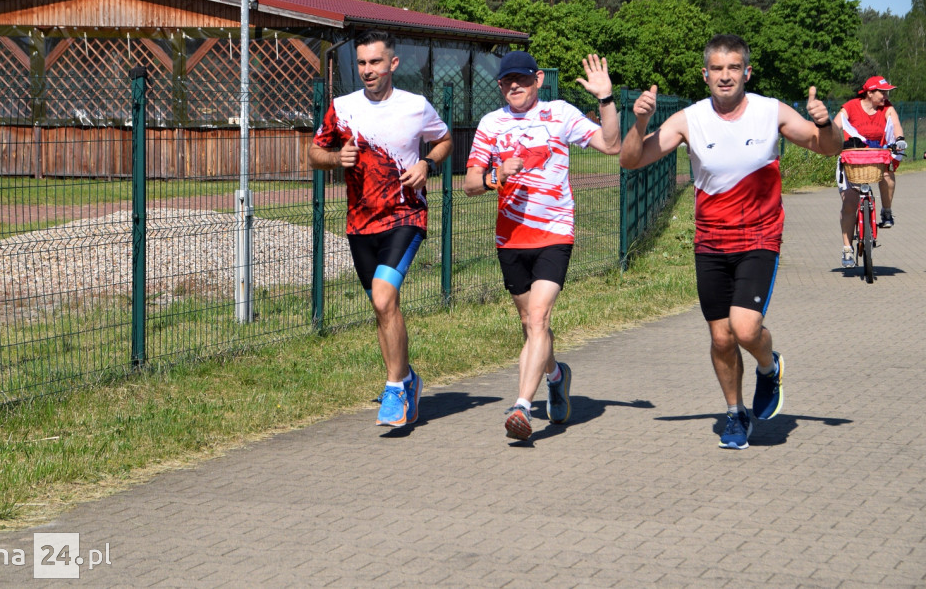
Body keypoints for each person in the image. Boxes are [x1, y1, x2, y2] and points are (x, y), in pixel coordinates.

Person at [620, 34, 842, 450]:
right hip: (710, 241)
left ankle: (768, 366)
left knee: (744, 327)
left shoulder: (769, 111)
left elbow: (827, 148)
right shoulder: (689, 119)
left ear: (747, 72)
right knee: (721, 337)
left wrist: (825, 122)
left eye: (734, 68)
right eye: (717, 69)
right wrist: (640, 123)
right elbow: (631, 159)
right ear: (705, 75)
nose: (726, 76)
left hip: (760, 235)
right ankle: (735, 414)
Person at [463, 51, 621, 441]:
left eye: (521, 78)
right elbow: (468, 184)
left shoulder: (561, 113)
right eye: (506, 81)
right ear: (499, 86)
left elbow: (612, 144)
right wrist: (494, 176)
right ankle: (555, 375)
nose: (514, 86)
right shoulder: (491, 124)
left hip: (554, 233)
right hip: (511, 238)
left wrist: (605, 100)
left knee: (538, 320)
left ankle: (521, 407)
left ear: (537, 80)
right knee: (528, 325)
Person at [308, 29, 452, 428]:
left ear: (393, 64)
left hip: (406, 216)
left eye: (375, 62)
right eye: (362, 64)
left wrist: (427, 165)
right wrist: (336, 158)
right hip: (360, 223)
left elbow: (443, 140)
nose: (367, 71)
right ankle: (409, 380)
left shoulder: (415, 106)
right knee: (381, 306)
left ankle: (393, 389)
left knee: (385, 297)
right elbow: (313, 152)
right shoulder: (342, 108)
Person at [835, 76, 906, 268]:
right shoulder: (850, 107)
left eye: (886, 92)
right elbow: (836, 126)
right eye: (881, 92)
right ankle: (848, 249)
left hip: (877, 157)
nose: (885, 95)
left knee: (888, 175)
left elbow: (896, 124)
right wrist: (831, 140)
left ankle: (887, 211)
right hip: (852, 158)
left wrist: (899, 139)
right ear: (869, 92)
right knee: (850, 203)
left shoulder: (887, 108)